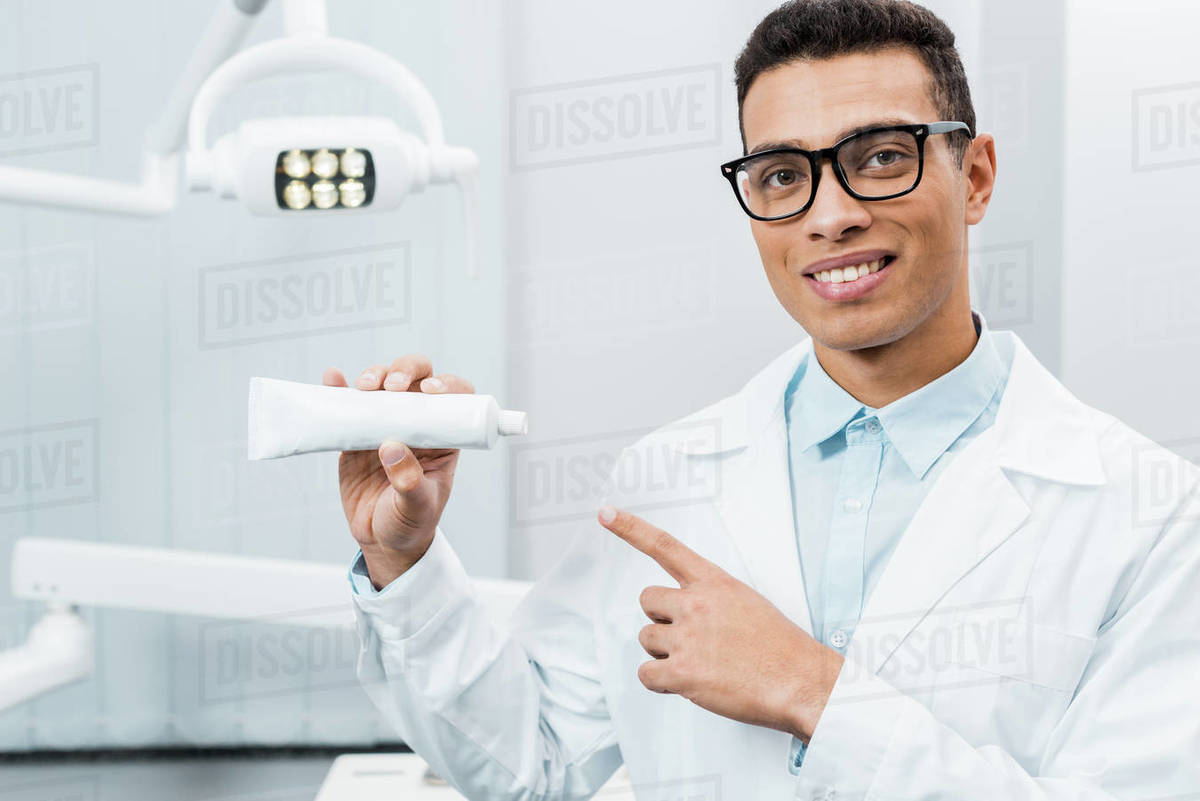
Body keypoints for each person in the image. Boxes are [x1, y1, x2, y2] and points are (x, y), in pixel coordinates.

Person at [322, 1, 1200, 798]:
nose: (831, 215)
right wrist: (407, 561)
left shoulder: (1148, 515)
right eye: (783, 175)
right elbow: (534, 763)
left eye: (882, 158)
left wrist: (812, 691)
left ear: (974, 176)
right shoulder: (667, 481)